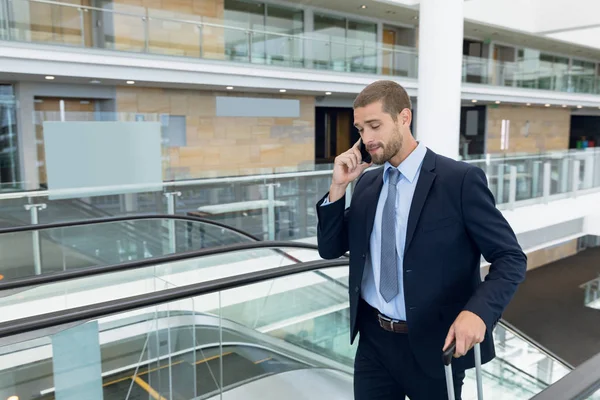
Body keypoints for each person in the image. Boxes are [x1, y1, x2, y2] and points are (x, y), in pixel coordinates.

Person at [316, 80, 527, 399]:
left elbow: (511, 258)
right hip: (373, 343)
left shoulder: (459, 181)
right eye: (360, 129)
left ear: (404, 117)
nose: (367, 139)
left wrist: (479, 312)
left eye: (375, 125)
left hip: (435, 345)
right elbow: (330, 248)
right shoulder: (368, 185)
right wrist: (338, 189)